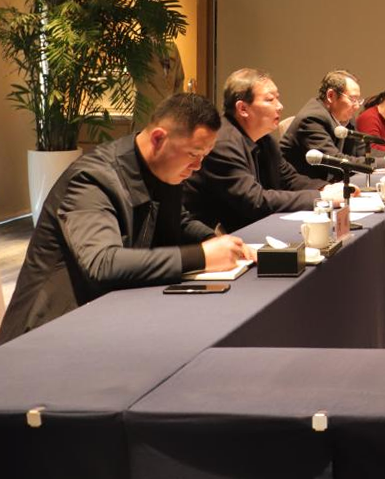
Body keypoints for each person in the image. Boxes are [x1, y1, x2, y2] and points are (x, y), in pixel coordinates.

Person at [0, 94, 252, 344]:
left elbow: (178, 221)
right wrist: (202, 256)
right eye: (193, 154)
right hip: (45, 333)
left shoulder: (164, 169)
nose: (198, 166)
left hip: (107, 318)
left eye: (204, 156)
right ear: (158, 138)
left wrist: (214, 240)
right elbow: (102, 264)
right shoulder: (91, 179)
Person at [183, 68, 325, 233]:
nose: (280, 106)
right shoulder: (223, 143)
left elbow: (289, 179)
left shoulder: (265, 140)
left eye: (277, 98)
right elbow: (254, 201)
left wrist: (324, 189)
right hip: (205, 235)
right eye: (270, 99)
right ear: (243, 109)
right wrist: (320, 198)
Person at [280, 69, 375, 180]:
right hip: (306, 185)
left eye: (358, 100)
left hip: (332, 182)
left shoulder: (346, 117)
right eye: (353, 99)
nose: (357, 106)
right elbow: (335, 161)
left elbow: (361, 151)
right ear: (331, 95)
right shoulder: (312, 118)